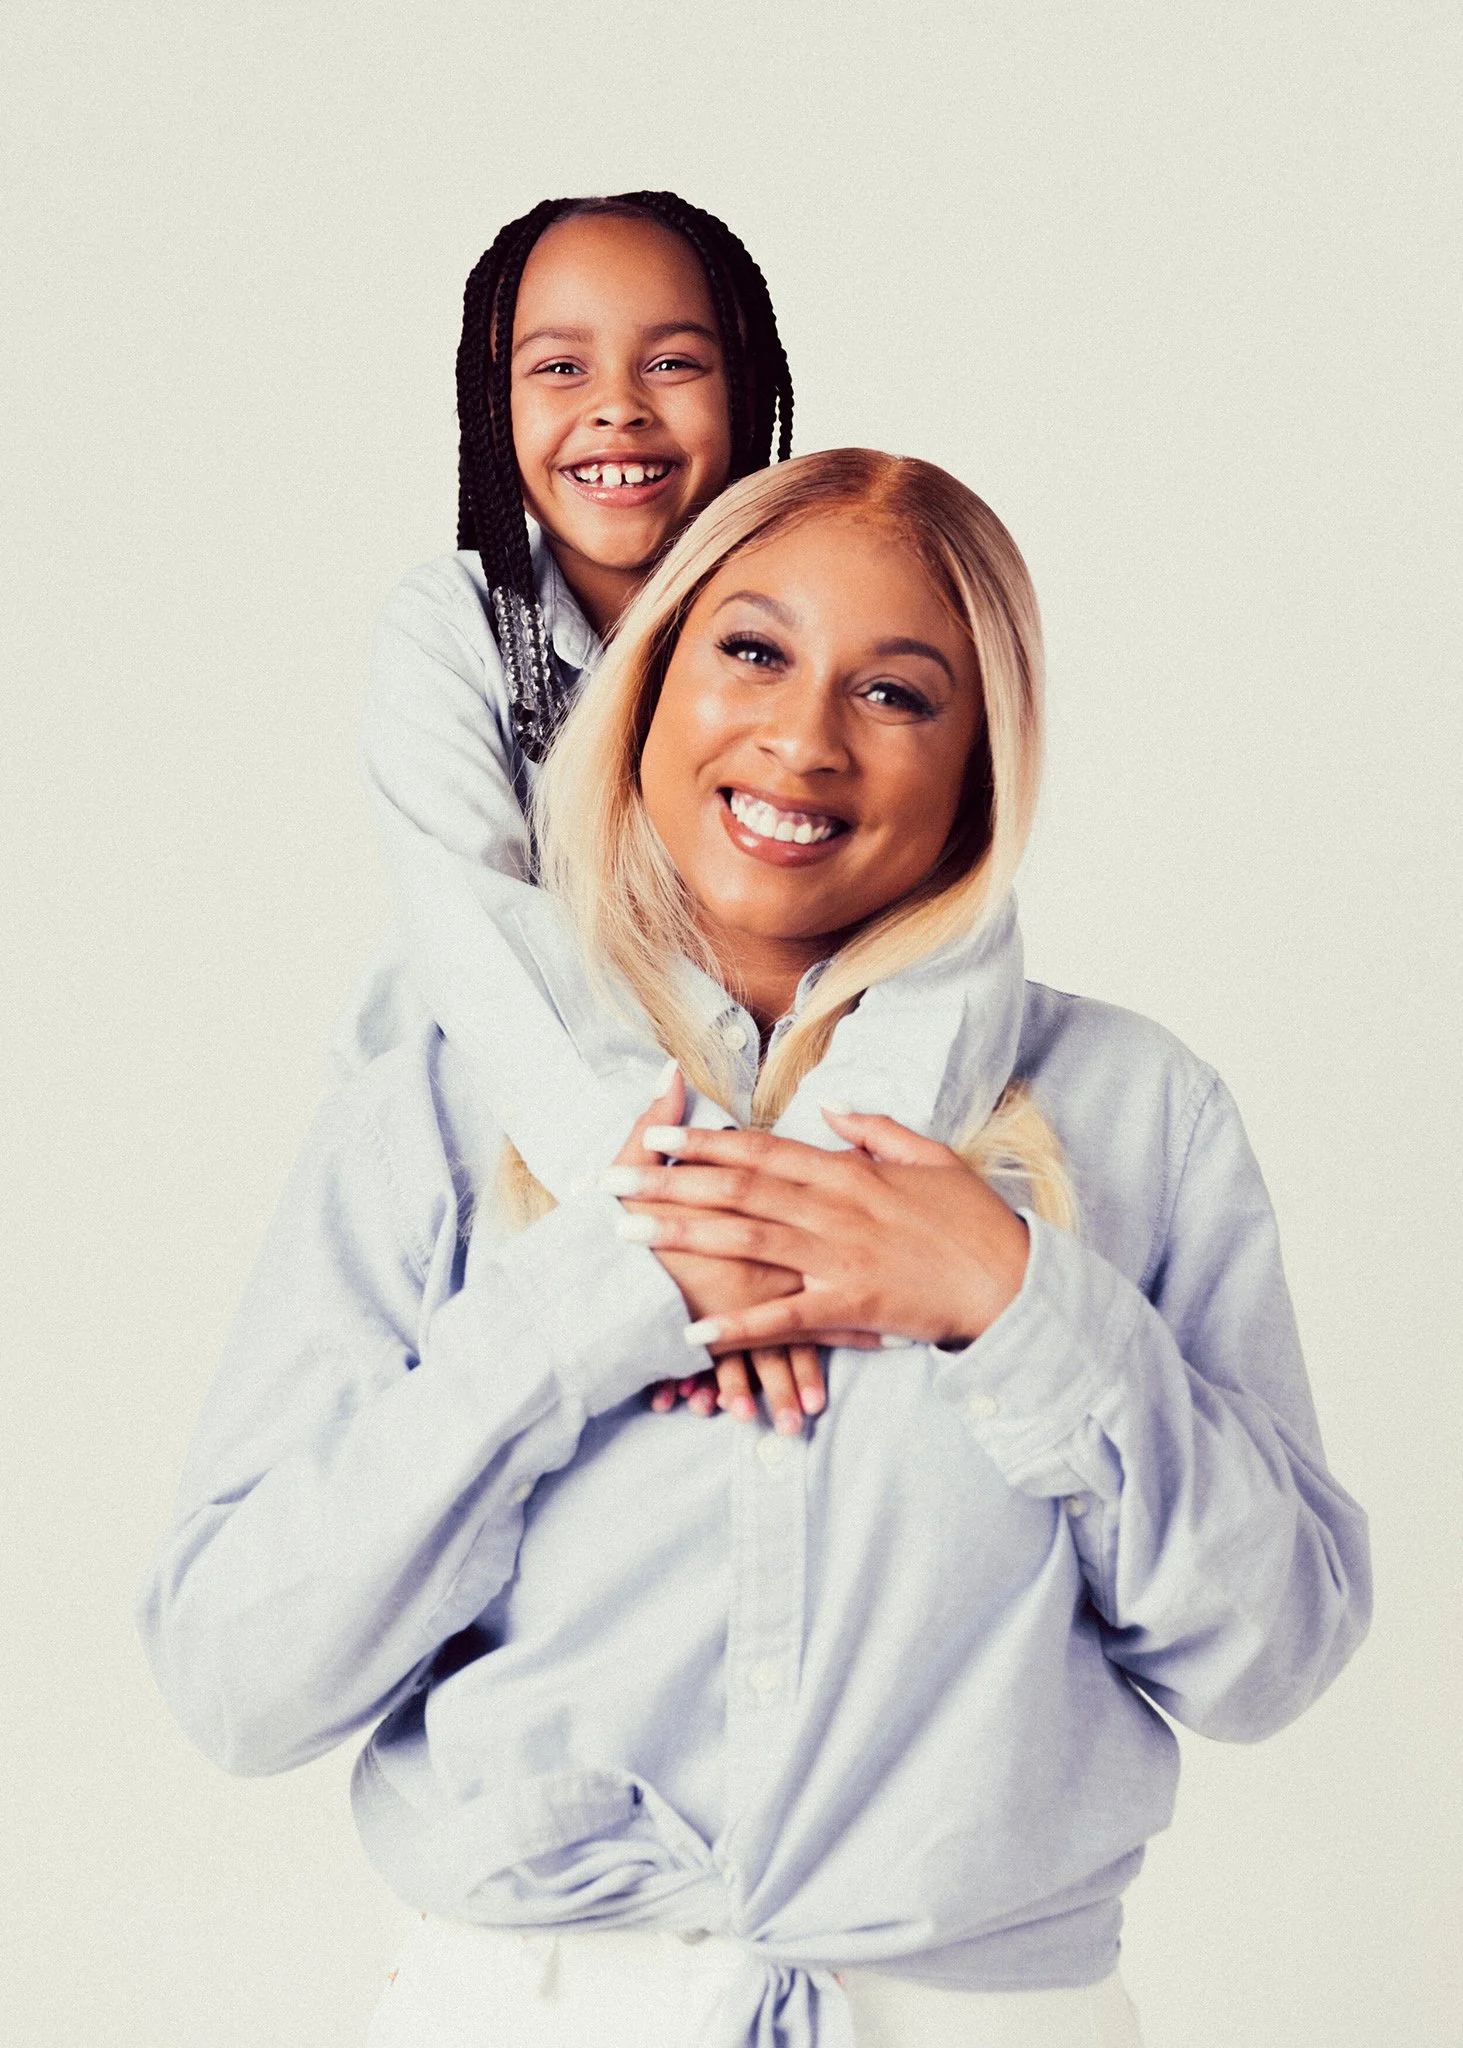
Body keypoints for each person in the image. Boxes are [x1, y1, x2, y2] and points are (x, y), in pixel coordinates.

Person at [138, 449, 1370, 2047]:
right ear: (646, 685)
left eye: (899, 693)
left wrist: (1013, 1304)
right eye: (751, 651)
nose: (803, 737)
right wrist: (581, 1312)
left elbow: (1267, 1663)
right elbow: (240, 1681)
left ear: (982, 766)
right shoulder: (431, 1115)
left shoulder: (1136, 1117)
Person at [345, 185, 823, 1430]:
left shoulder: (818, 621)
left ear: (753, 385)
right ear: (490, 405)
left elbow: (929, 911)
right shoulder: (451, 630)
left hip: (758, 1163)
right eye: (557, 366)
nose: (618, 405)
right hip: (514, 1163)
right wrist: (671, 1227)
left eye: (673, 360)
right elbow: (487, 947)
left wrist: (784, 1220)